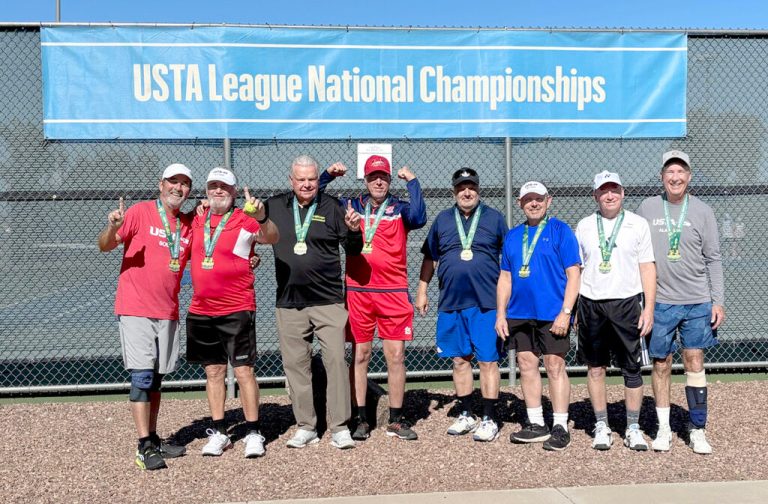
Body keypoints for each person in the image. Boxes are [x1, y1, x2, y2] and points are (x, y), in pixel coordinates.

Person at [322, 155, 427, 441]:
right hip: (359, 292)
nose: (378, 181)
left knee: (395, 355)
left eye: (383, 177)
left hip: (393, 292)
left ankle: (395, 418)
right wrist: (327, 175)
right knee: (361, 354)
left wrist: (413, 182)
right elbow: (313, 196)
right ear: (365, 180)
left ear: (390, 179)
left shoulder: (399, 208)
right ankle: (361, 418)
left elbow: (419, 217)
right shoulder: (350, 204)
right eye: (372, 177)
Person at [97, 163, 193, 470]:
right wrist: (113, 225)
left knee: (157, 380)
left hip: (168, 310)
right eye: (173, 182)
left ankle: (152, 438)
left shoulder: (187, 224)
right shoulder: (138, 212)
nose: (178, 188)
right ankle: (142, 447)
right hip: (136, 308)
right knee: (141, 377)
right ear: (160, 184)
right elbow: (105, 246)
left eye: (184, 184)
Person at [264, 154, 362, 450]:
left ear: (318, 180)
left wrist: (356, 231)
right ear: (291, 180)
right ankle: (306, 425)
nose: (306, 184)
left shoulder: (334, 207)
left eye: (311, 179)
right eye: (301, 179)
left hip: (328, 301)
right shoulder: (273, 207)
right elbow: (246, 233)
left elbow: (354, 252)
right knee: (297, 366)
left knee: (335, 361)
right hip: (289, 301)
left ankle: (340, 426)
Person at [186, 167, 279, 458]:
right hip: (201, 309)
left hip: (237, 307)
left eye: (224, 187)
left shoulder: (245, 219)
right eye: (213, 186)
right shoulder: (196, 217)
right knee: (213, 371)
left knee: (243, 371)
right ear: (206, 190)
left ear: (234, 192)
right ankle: (220, 433)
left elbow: (272, 237)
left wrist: (262, 216)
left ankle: (253, 431)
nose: (218, 191)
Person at [637, 150, 725, 454]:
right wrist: (642, 300)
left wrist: (718, 301)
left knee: (694, 359)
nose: (675, 177)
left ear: (689, 177)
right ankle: (663, 429)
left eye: (681, 172)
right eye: (669, 172)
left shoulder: (703, 211)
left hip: (698, 301)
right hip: (660, 301)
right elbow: (639, 254)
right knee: (661, 363)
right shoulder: (647, 208)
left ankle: (697, 427)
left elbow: (713, 258)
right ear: (662, 177)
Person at [415, 168, 507, 442]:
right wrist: (422, 289)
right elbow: (430, 257)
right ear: (454, 191)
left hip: (486, 303)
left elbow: (510, 258)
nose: (467, 192)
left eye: (471, 187)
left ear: (478, 189)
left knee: (488, 361)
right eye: (461, 188)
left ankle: (489, 418)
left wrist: (508, 296)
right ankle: (466, 413)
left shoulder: (494, 218)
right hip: (451, 303)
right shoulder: (443, 220)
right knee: (459, 360)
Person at [575, 171, 656, 451]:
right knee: (595, 367)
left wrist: (649, 310)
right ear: (595, 195)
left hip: (627, 304)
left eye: (615, 190)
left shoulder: (638, 224)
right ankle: (601, 424)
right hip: (591, 303)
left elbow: (647, 267)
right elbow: (579, 269)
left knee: (631, 369)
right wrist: (573, 309)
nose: (610, 195)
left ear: (623, 193)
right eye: (604, 191)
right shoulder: (584, 225)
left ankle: (633, 427)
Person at [496, 181, 581, 451]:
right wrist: (500, 313)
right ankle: (535, 423)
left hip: (552, 314)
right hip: (520, 313)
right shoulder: (512, 235)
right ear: (520, 203)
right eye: (528, 199)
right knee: (526, 364)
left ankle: (559, 425)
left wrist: (566, 312)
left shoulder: (560, 231)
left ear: (549, 201)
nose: (534, 203)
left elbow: (574, 274)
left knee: (555, 366)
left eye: (539, 198)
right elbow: (506, 277)